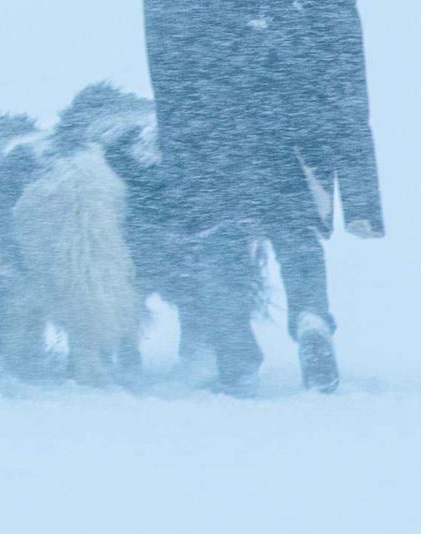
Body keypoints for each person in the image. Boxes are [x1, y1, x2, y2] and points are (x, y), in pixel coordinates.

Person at [142, 0, 384, 396]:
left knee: (219, 238)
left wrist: (180, 155)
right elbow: (346, 76)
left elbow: (167, 71)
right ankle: (312, 318)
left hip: (211, 127)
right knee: (296, 233)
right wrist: (361, 197)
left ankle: (234, 351)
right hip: (294, 125)